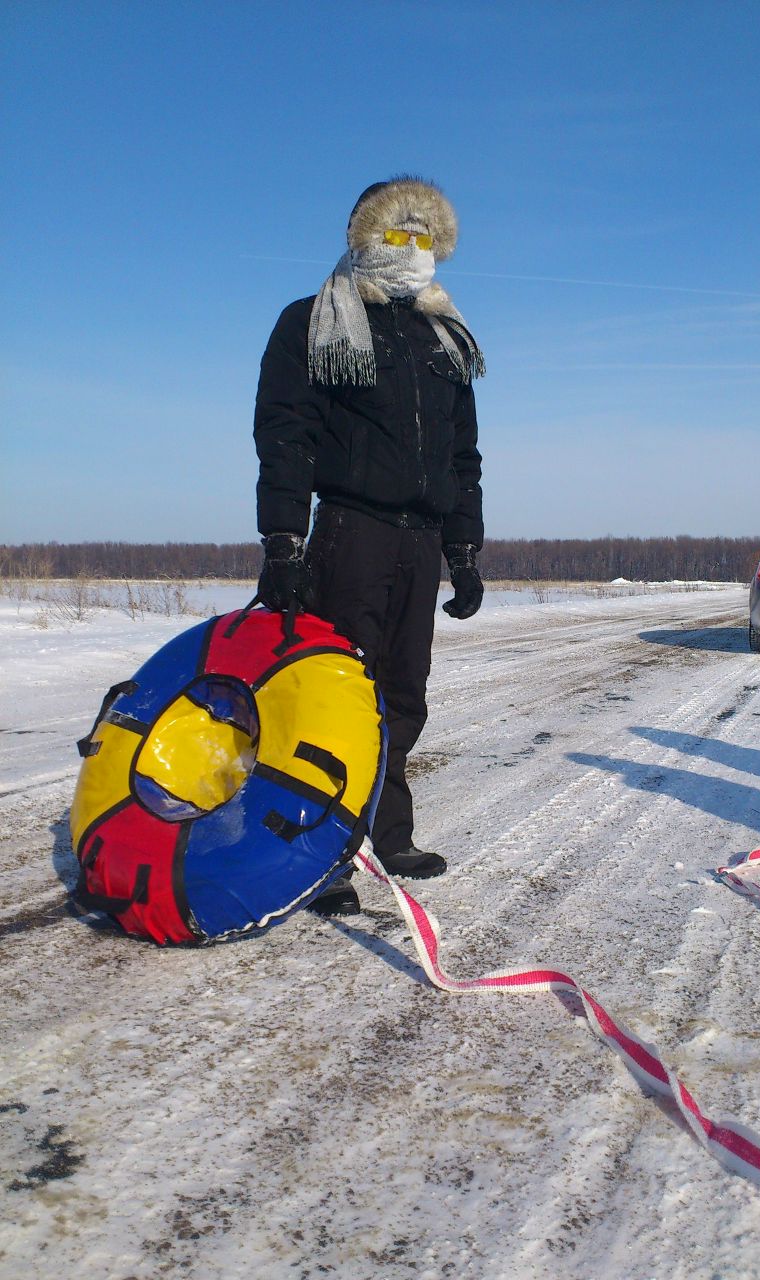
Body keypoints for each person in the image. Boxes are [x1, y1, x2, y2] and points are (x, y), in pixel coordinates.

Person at [253, 176, 485, 915]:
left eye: (424, 237)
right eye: (395, 233)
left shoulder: (443, 338)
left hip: (419, 541)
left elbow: (463, 457)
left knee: (403, 698)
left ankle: (389, 833)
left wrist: (465, 552)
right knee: (336, 695)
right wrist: (285, 541)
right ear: (364, 236)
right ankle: (324, 852)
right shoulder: (316, 321)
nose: (409, 249)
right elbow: (286, 433)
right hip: (350, 532)